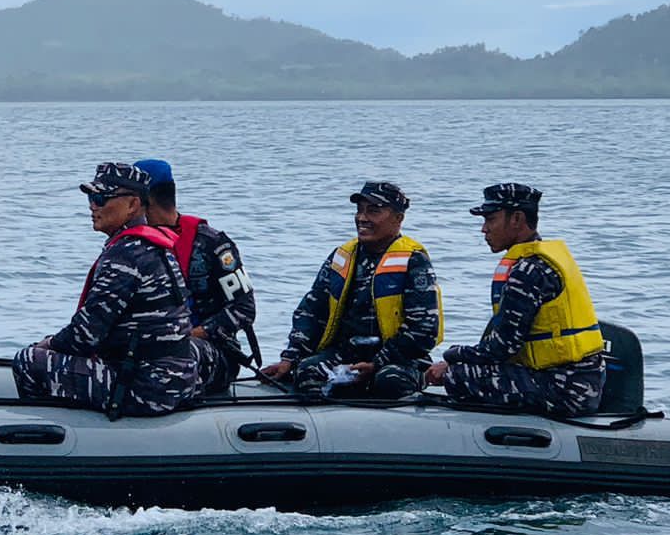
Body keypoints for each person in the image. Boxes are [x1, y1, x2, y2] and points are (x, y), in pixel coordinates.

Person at [13, 162, 202, 417]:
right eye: (92, 198)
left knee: (28, 361)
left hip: (146, 386)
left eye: (101, 198)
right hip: (174, 377)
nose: (93, 206)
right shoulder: (155, 247)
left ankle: (51, 436)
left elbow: (85, 334)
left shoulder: (126, 255)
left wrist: (47, 345)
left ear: (133, 205)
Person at [424, 182, 604, 417]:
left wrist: (451, 357)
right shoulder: (542, 260)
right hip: (575, 379)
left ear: (517, 219)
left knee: (457, 377)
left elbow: (502, 346)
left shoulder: (528, 271)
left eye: (491, 220)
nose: (484, 229)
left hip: (565, 389)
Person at [260, 181, 443, 397]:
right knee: (307, 372)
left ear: (398, 218)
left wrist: (377, 363)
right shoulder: (342, 257)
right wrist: (290, 358)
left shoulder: (413, 261)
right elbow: (311, 311)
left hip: (398, 359)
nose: (362, 218)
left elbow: (424, 330)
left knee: (390, 381)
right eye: (359, 211)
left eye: (373, 211)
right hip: (346, 354)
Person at [133, 158, 259, 393]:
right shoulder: (131, 247)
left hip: (209, 350)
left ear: (142, 201)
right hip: (147, 346)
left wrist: (189, 334)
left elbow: (244, 308)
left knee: (169, 354)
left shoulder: (211, 244)